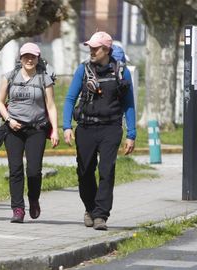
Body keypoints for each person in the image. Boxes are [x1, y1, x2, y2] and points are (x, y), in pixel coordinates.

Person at [62, 31, 136, 230]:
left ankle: (101, 215)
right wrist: (67, 126)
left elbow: (129, 104)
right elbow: (70, 99)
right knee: (85, 171)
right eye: (90, 48)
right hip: (85, 127)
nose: (92, 51)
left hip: (111, 128)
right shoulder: (83, 70)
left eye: (96, 48)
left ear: (107, 50)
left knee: (107, 171)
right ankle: (90, 208)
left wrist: (131, 134)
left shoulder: (121, 72)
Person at [0, 42, 59, 223]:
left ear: (38, 58)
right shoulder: (9, 77)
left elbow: (51, 106)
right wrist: (9, 120)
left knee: (33, 170)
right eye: (26, 56)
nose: (29, 60)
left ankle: (33, 199)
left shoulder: (44, 79)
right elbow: (0, 102)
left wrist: (54, 130)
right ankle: (17, 209)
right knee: (15, 170)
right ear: (20, 58)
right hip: (13, 129)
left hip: (36, 129)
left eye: (33, 56)